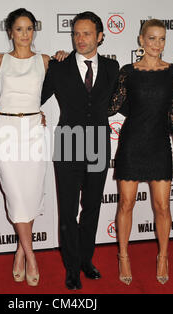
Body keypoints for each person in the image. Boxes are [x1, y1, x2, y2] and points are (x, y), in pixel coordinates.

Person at [41, 11, 119, 290]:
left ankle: (86, 259)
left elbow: (121, 102)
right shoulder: (58, 67)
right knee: (68, 209)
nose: (80, 39)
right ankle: (71, 267)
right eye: (76, 33)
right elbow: (33, 96)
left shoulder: (112, 67)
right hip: (68, 143)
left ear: (100, 37)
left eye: (86, 33)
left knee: (93, 207)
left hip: (99, 143)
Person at [109, 19, 173, 285]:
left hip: (158, 145)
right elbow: (112, 105)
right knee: (126, 203)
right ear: (141, 40)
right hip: (131, 144)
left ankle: (163, 255)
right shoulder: (128, 71)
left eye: (162, 38)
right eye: (152, 38)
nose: (157, 44)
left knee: (162, 206)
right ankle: (124, 256)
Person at [0, 8, 52, 287]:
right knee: (15, 193)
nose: (25, 34)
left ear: (33, 31)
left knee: (31, 192)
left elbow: (51, 91)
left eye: (29, 28)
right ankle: (32, 256)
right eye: (19, 29)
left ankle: (20, 252)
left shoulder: (46, 61)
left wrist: (38, 113)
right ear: (10, 32)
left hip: (34, 132)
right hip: (7, 132)